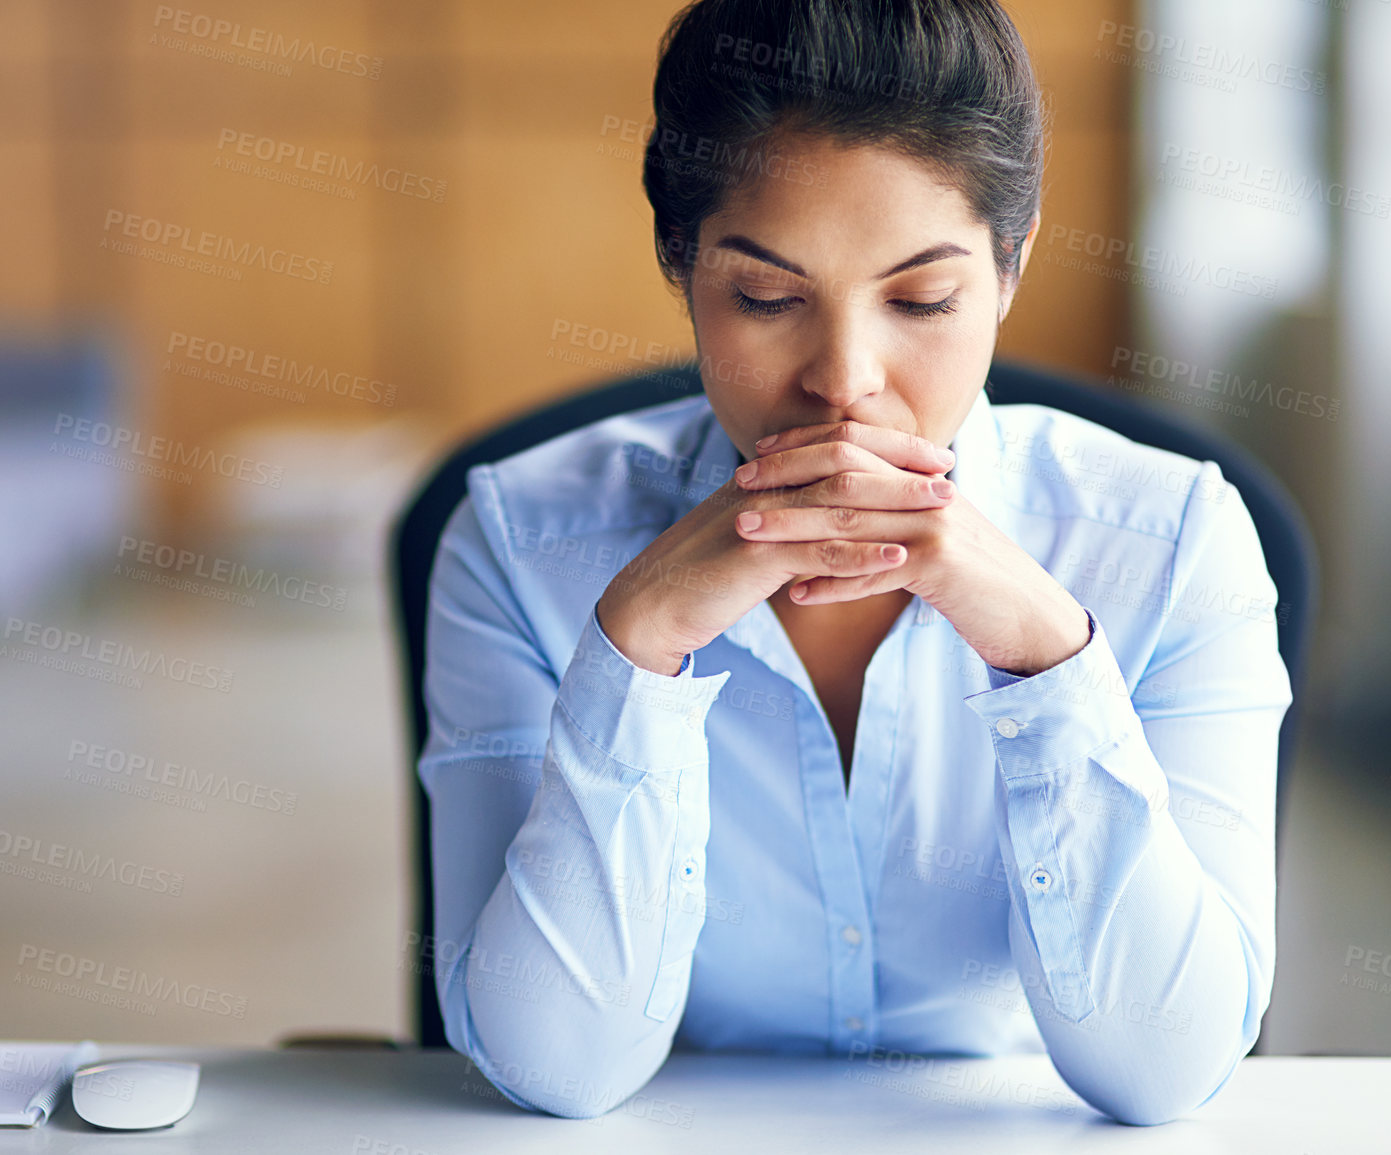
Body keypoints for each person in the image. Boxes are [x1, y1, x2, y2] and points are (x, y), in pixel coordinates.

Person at [416, 0, 1291, 1126]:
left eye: (922, 299)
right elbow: (552, 1067)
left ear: (1011, 267)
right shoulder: (516, 543)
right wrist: (631, 654)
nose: (845, 380)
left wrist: (1047, 657)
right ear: (679, 265)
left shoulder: (1171, 542)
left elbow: (1168, 1073)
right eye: (768, 299)